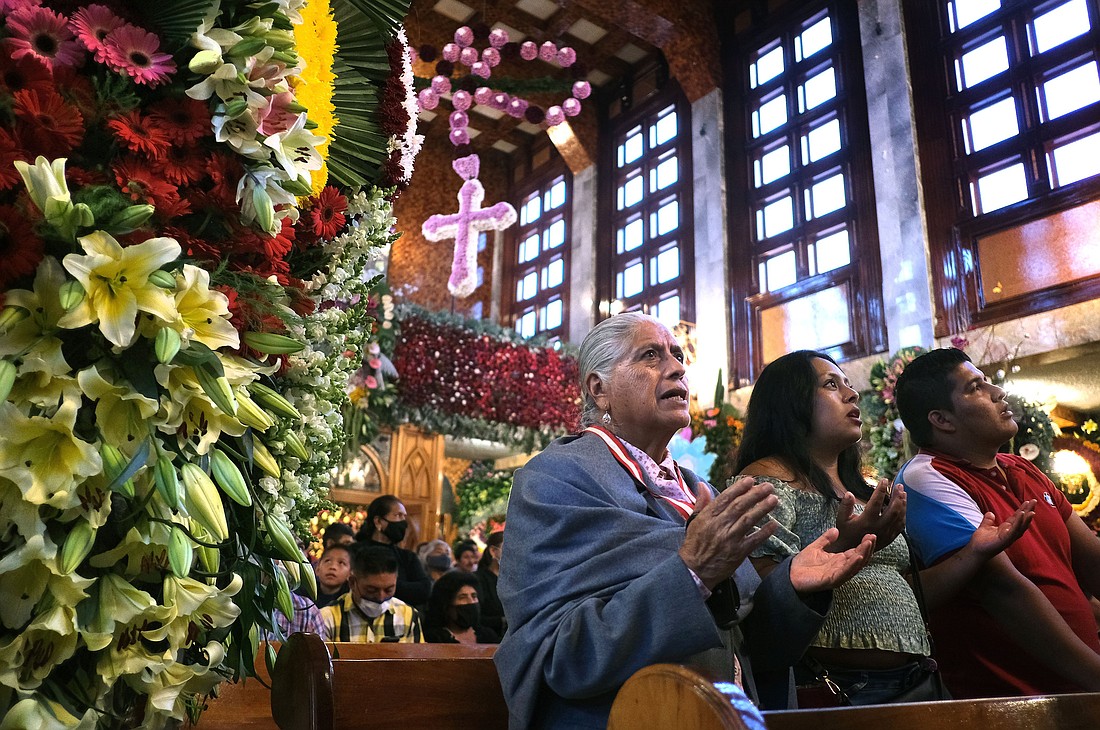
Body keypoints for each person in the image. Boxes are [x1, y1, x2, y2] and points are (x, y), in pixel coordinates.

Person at [495, 312, 878, 729]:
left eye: (677, 355)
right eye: (650, 356)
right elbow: (562, 656)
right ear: (599, 389)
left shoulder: (702, 490)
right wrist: (691, 571)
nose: (678, 367)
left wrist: (792, 588)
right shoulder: (555, 478)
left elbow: (748, 647)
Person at [734, 350, 1032, 707]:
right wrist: (847, 542)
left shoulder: (860, 492)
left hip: (916, 681)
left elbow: (907, 592)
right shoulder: (764, 482)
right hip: (834, 688)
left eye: (848, 383)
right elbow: (760, 592)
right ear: (789, 402)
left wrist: (975, 553)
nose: (852, 393)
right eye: (831, 384)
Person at [895, 347, 1100, 697]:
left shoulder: (1021, 467)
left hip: (1081, 689)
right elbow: (1002, 589)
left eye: (987, 382)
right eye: (975, 387)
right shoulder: (925, 476)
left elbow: (1091, 559)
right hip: (1015, 700)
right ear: (942, 419)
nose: (997, 392)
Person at [320, 545, 423, 643]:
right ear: (352, 582)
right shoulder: (327, 618)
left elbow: (417, 660)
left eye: (388, 590)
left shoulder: (408, 616)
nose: (381, 597)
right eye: (371, 590)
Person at [354, 495, 432, 607]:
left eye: (404, 516)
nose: (403, 522)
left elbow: (424, 589)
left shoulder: (407, 557)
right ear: (378, 521)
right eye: (398, 515)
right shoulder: (355, 551)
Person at [424, 570, 500, 644]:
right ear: (446, 605)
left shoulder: (488, 636)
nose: (471, 602)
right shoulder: (435, 639)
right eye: (462, 597)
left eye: (474, 596)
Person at [476, 529, 506, 636]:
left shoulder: (516, 579)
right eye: (508, 548)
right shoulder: (478, 579)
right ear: (493, 551)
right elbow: (476, 617)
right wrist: (502, 621)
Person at [314, 543, 352, 608]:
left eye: (341, 563)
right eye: (328, 561)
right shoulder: (303, 596)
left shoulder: (350, 602)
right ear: (317, 569)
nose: (333, 567)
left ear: (350, 574)